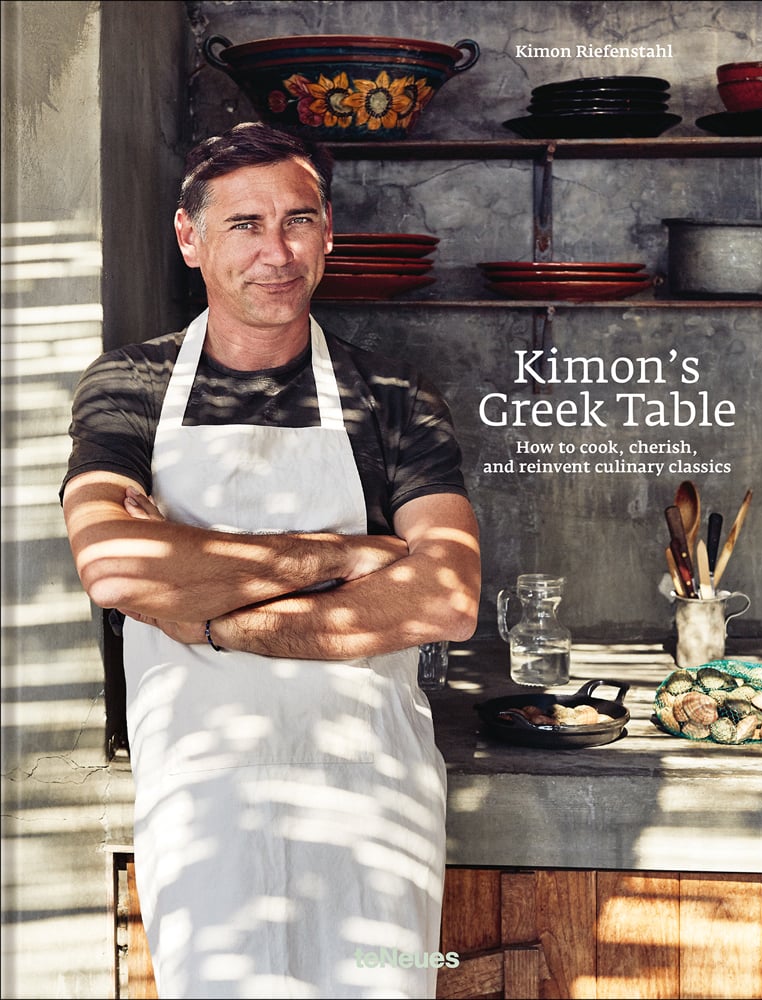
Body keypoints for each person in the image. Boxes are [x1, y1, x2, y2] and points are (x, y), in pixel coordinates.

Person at [61, 122, 481, 999]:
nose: (276, 252)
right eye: (245, 224)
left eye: (298, 221)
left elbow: (445, 596)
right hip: (205, 795)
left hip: (377, 793)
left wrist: (210, 620)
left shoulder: (396, 398)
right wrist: (340, 554)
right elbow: (116, 572)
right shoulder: (130, 386)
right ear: (191, 239)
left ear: (328, 232)